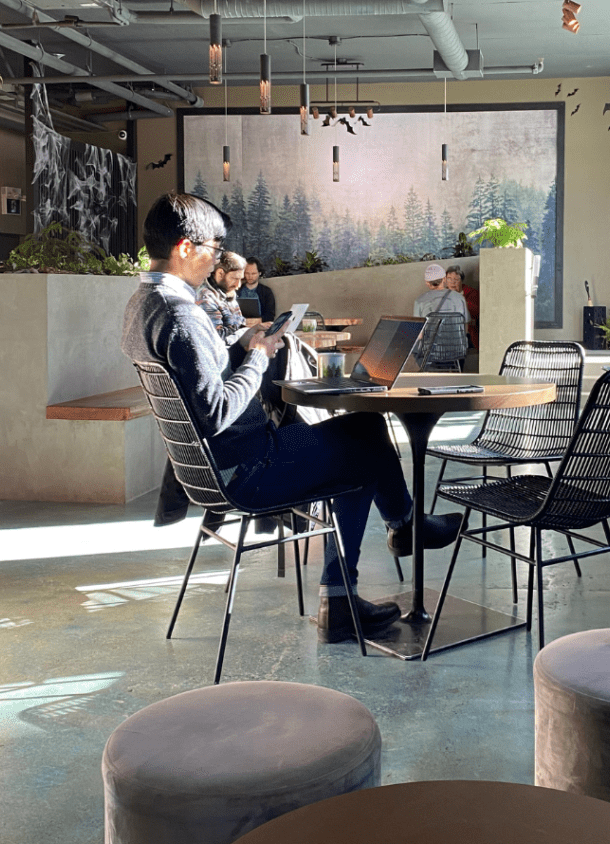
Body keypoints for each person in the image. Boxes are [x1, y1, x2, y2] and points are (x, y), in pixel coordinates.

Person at [122, 192, 460, 642]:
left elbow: (192, 378)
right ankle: (387, 546)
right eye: (214, 251)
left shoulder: (142, 305)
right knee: (364, 437)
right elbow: (215, 412)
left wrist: (235, 346)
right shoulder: (181, 314)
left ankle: (393, 539)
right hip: (246, 469)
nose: (217, 261)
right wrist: (259, 357)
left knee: (361, 432)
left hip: (212, 468)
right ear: (186, 248)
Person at [197, 250, 247, 345]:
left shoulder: (228, 293)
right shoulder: (205, 297)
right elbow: (216, 338)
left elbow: (239, 324)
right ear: (220, 273)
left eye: (241, 279)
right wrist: (246, 332)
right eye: (235, 279)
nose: (238, 285)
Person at [445, 264, 480, 367]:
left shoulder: (471, 293)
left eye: (456, 279)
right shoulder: (442, 295)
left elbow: (477, 312)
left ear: (461, 281)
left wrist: (461, 298)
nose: (452, 282)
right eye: (449, 279)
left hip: (467, 334)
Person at [236, 255, 276, 323]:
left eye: (253, 273)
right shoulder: (237, 290)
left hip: (260, 325)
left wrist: (253, 321)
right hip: (240, 325)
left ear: (259, 273)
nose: (250, 276)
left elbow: (270, 316)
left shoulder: (266, 292)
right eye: (247, 273)